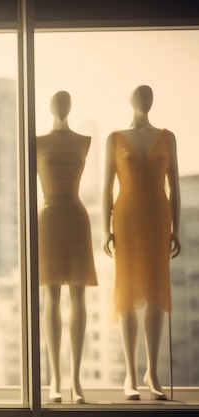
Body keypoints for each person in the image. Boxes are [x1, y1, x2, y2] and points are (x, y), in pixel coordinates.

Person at [102, 84, 181, 401]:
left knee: (156, 292)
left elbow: (175, 185)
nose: (145, 102)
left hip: (159, 220)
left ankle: (152, 371)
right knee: (128, 293)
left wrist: (177, 229)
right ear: (132, 101)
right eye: (140, 97)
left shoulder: (167, 137)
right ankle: (131, 375)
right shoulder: (115, 138)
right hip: (126, 220)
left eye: (150, 97)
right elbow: (106, 185)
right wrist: (104, 228)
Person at [37, 91, 97, 404]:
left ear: (71, 106)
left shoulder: (83, 140)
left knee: (78, 296)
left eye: (66, 102)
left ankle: (75, 378)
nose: (62, 107)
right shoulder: (37, 142)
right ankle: (55, 380)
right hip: (48, 217)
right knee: (51, 296)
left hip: (75, 216)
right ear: (50, 107)